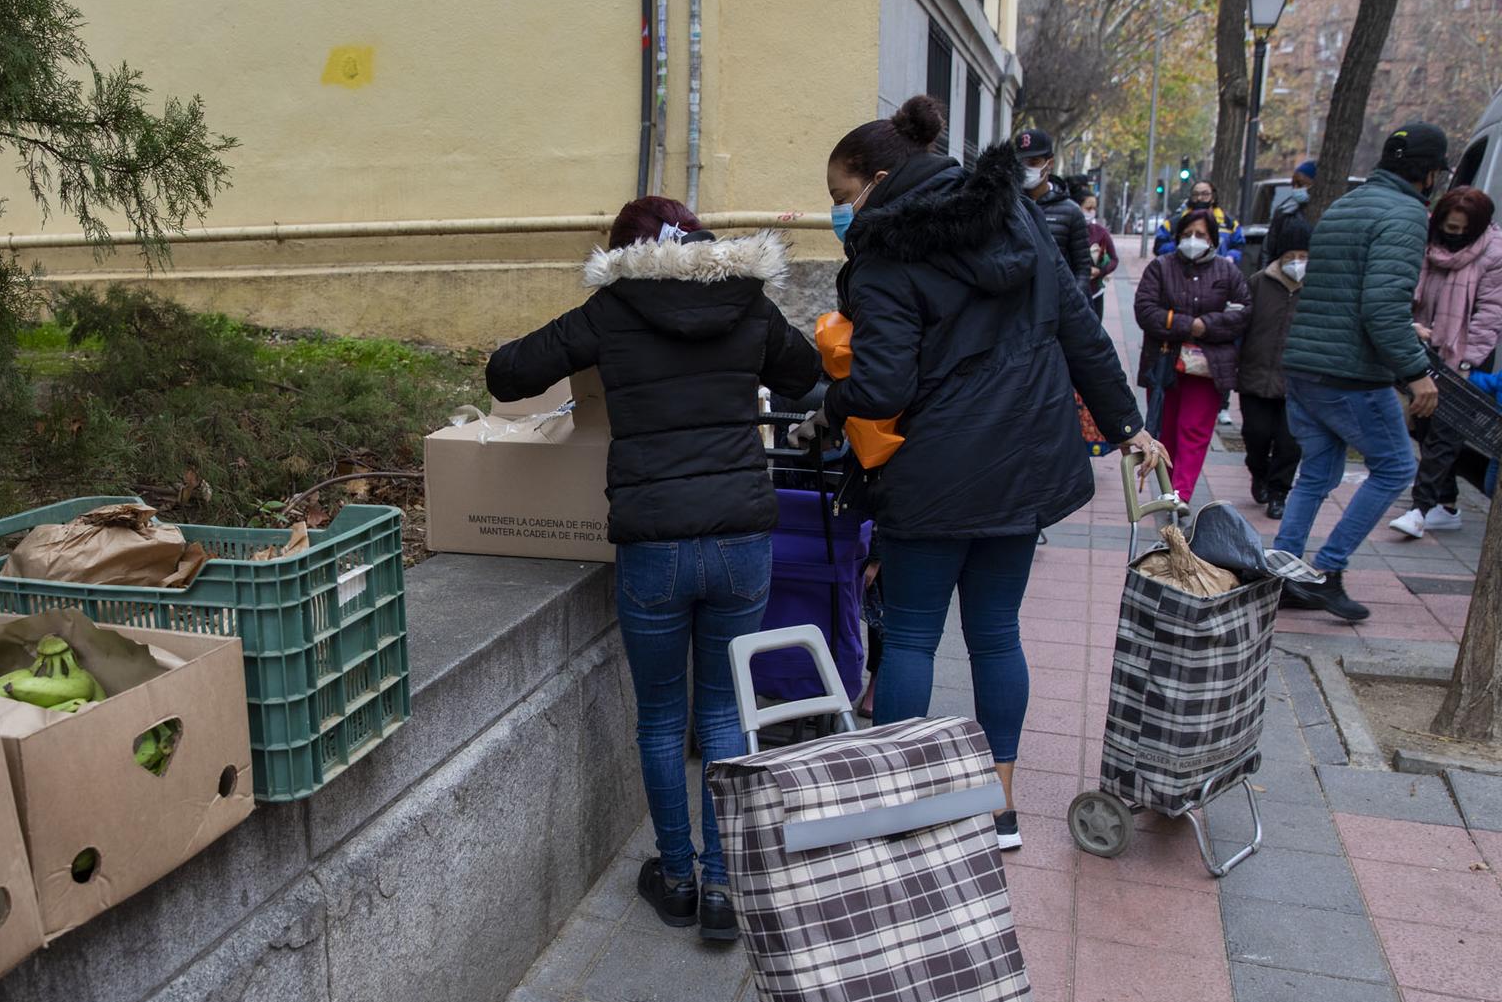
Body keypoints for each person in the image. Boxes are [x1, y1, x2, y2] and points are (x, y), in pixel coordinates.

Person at [796, 96, 1160, 852]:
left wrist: (832, 404)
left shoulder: (887, 256)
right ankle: (1000, 809)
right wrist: (1128, 425)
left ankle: (895, 805)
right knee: (997, 634)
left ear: (880, 178)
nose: (840, 213)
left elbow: (884, 385)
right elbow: (1078, 327)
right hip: (1023, 468)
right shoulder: (1016, 215)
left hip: (930, 473)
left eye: (841, 196)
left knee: (915, 639)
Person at [487, 196, 821, 942]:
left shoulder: (612, 309)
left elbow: (508, 376)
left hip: (654, 547)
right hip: (740, 538)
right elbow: (806, 376)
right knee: (727, 714)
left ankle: (675, 878)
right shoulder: (749, 301)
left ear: (626, 254)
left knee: (664, 718)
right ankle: (725, 889)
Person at [1276, 122, 1448, 621]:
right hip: (1349, 374)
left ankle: (1284, 572)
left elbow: (1349, 293)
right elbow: (1379, 306)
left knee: (1317, 474)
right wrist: (1416, 372)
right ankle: (1328, 572)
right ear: (1431, 173)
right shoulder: (1408, 213)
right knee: (1396, 466)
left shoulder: (1343, 205)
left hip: (1306, 363)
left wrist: (1399, 329)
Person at [1389, 186, 1502, 538]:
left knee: (1445, 434)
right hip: (1423, 347)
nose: (1452, 236)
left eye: (1460, 231)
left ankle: (1419, 509)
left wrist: (1468, 362)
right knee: (1424, 427)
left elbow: (1490, 313)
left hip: (1464, 356)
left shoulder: (1493, 252)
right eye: (1448, 228)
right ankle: (1446, 505)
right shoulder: (1423, 241)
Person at [1133, 208, 1252, 500]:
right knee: (1165, 429)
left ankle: (1181, 492)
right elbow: (1146, 310)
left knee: (1194, 431)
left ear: (1213, 238)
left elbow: (1241, 313)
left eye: (1200, 235)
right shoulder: (1161, 267)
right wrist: (1189, 324)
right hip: (1165, 363)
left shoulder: (1228, 271)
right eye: (1187, 235)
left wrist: (1206, 325)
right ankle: (1167, 488)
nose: (1193, 240)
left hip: (1208, 367)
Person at [1239, 213, 1311, 519]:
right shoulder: (1258, 283)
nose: (1297, 262)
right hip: (1256, 376)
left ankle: (1279, 492)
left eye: (1303, 257)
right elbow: (1240, 325)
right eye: (1291, 256)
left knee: (1290, 443)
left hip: (1298, 383)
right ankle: (1259, 472)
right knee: (1255, 434)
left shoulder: (1316, 289)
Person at [1015, 129, 1092, 296]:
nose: (1026, 169)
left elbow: (1083, 268)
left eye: (1033, 162)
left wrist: (1071, 301)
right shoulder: (1008, 206)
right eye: (1022, 163)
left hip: (1056, 307)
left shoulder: (1071, 211)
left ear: (1049, 163)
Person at [1155, 179, 1247, 263]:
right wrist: (1181, 244)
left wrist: (1231, 257)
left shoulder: (1229, 224)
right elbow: (1159, 247)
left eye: (1205, 194)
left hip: (1218, 274)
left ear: (1213, 198)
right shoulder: (1173, 223)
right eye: (1195, 194)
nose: (1199, 198)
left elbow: (1239, 246)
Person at [1081, 192, 1121, 320]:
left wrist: (1100, 271)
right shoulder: (1068, 230)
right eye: (1088, 208)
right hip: (1073, 293)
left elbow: (1114, 260)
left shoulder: (1100, 232)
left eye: (1094, 208)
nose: (1092, 212)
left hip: (1095, 292)